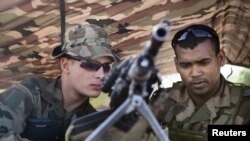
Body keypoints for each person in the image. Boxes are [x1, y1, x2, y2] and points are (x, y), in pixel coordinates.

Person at [122, 24, 250, 141]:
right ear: (176, 65)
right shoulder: (162, 101)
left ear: (220, 58)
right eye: (185, 65)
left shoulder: (246, 105)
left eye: (204, 62)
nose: (195, 73)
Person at [0, 24, 118, 141]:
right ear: (66, 65)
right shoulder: (29, 93)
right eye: (91, 65)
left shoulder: (91, 121)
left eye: (106, 66)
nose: (101, 75)